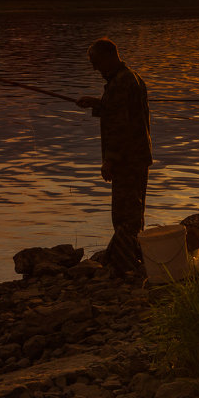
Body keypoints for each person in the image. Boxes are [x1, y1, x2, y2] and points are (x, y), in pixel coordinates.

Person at [76, 38, 152, 278]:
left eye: (96, 62)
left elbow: (121, 126)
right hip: (139, 156)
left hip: (127, 159)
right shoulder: (130, 78)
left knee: (124, 213)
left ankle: (125, 266)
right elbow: (120, 110)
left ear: (109, 57)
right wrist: (98, 104)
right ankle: (130, 258)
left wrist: (110, 160)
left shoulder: (120, 83)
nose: (94, 68)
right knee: (134, 210)